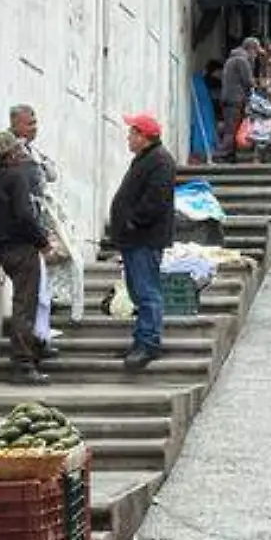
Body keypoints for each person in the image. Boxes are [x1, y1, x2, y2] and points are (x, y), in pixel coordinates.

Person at [0, 131, 54, 385]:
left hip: (2, 249)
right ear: (10, 154)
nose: (21, 155)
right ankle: (23, 363)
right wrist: (42, 241)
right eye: (17, 151)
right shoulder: (16, 177)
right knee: (25, 304)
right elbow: (24, 215)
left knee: (23, 301)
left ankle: (30, 351)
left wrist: (0, 242)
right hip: (22, 248)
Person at [107, 112, 176, 371]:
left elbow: (155, 200)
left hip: (144, 238)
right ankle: (141, 339)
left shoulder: (159, 161)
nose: (128, 137)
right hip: (134, 238)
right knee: (138, 290)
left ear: (143, 137)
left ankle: (148, 342)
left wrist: (133, 221)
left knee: (147, 292)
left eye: (132, 133)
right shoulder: (147, 159)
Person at [10, 105, 84, 333]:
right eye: (29, 123)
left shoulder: (32, 151)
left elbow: (51, 174)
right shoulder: (12, 152)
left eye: (35, 123)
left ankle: (40, 336)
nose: (35, 128)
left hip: (37, 223)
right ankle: (29, 346)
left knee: (44, 283)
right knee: (29, 293)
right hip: (25, 228)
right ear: (15, 124)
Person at [217, 38, 260, 161]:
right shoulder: (242, 60)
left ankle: (229, 156)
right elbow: (248, 81)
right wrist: (257, 83)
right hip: (235, 100)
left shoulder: (233, 59)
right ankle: (221, 156)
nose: (255, 56)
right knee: (231, 130)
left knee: (231, 128)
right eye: (255, 52)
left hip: (229, 99)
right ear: (250, 49)